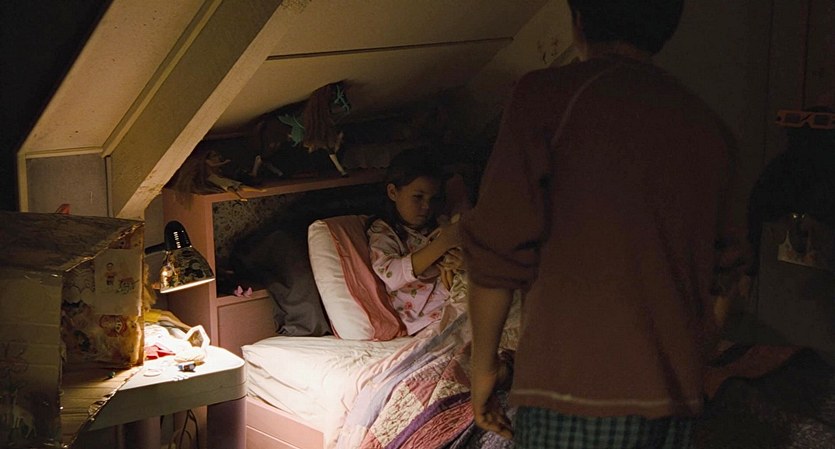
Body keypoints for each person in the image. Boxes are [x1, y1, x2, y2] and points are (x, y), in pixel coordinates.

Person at [461, 0, 737, 447]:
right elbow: (725, 280)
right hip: (676, 399)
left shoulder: (545, 98)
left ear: (579, 21)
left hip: (571, 390)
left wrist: (484, 368)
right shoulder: (709, 126)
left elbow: (496, 250)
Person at [367, 148, 463, 335]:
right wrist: (443, 243)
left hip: (456, 297)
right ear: (393, 192)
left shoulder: (440, 223)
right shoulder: (384, 232)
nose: (426, 206)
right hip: (426, 316)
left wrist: (461, 261)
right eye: (418, 197)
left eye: (432, 199)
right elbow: (392, 275)